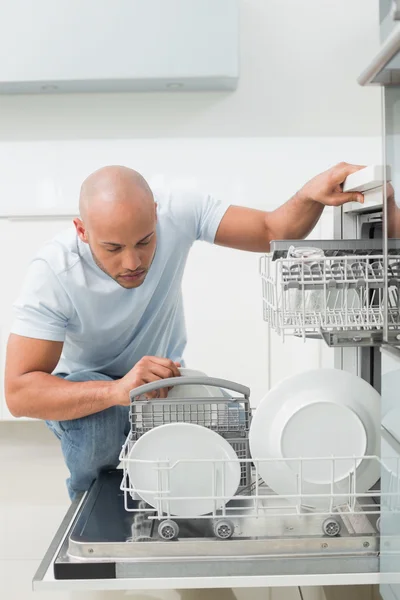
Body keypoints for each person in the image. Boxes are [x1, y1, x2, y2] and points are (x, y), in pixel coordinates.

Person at [4, 162, 365, 500]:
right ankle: (95, 516)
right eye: (113, 248)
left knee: (231, 437)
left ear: (156, 213)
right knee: (100, 426)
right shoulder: (54, 272)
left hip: (162, 379)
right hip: (89, 386)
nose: (132, 262)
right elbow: (19, 392)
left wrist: (308, 194)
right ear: (82, 231)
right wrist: (116, 391)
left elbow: (273, 231)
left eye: (145, 241)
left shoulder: (179, 211)